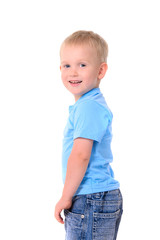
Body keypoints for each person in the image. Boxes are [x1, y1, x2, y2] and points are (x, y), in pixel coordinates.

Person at [54, 30, 123, 240]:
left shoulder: (88, 107)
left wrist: (66, 197)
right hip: (95, 198)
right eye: (67, 65)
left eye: (82, 65)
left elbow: (81, 155)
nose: (73, 72)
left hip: (90, 197)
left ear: (101, 71)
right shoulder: (89, 104)